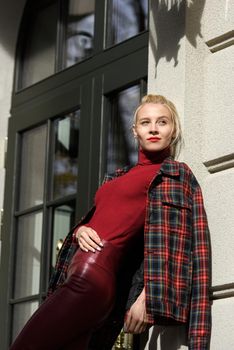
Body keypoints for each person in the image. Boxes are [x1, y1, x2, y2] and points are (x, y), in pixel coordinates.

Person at [10, 94, 211, 350]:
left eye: (162, 122)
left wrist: (147, 296)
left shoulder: (176, 175)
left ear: (173, 131)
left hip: (92, 279)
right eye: (145, 122)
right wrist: (81, 230)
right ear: (134, 130)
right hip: (78, 273)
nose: (153, 128)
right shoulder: (116, 176)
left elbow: (188, 248)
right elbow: (108, 219)